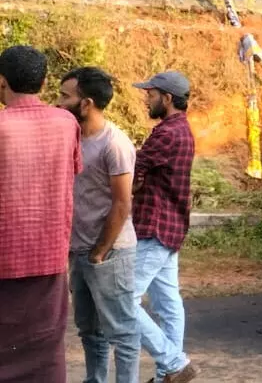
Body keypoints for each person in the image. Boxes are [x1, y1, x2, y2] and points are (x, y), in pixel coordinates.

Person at [0, 46, 82, 383]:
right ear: (45, 81)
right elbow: (75, 169)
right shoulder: (66, 122)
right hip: (49, 253)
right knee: (46, 348)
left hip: (4, 256)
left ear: (2, 82)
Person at [58, 67, 140, 383]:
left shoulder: (114, 143)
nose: (59, 102)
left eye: (66, 96)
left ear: (86, 103)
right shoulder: (73, 138)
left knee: (121, 329)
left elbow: (122, 204)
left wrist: (100, 252)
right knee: (89, 330)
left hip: (111, 253)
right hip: (80, 251)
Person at [131, 71, 197, 383]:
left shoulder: (166, 134)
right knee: (168, 303)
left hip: (154, 226)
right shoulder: (182, 130)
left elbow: (133, 172)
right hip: (170, 226)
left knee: (122, 301)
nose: (148, 99)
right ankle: (166, 375)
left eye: (151, 94)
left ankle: (172, 363)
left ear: (167, 98)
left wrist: (135, 180)